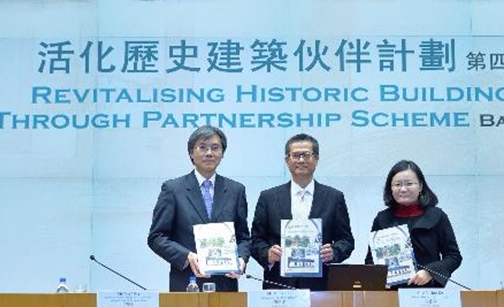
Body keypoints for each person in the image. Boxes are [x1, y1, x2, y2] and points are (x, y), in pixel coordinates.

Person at [147, 125, 250, 291]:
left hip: (225, 285)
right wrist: (186, 256)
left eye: (215, 148)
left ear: (222, 153)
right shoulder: (173, 189)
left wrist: (241, 259)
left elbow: (244, 237)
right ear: (191, 153)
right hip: (186, 283)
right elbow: (157, 237)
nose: (209, 153)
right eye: (202, 147)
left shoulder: (236, 190)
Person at [250, 133, 354, 290]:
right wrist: (267, 255)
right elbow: (256, 240)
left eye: (306, 155)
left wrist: (334, 252)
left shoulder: (334, 197)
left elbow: (346, 240)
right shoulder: (268, 197)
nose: (301, 160)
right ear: (287, 160)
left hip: (322, 285)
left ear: (316, 159)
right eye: (296, 155)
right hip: (279, 284)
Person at [365, 160, 462, 288]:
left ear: (421, 186)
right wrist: (379, 278)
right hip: (390, 295)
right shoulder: (382, 218)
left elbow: (453, 257)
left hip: (426, 293)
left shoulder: (437, 216)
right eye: (397, 184)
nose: (403, 189)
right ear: (390, 188)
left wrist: (430, 272)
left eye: (409, 184)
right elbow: (370, 260)